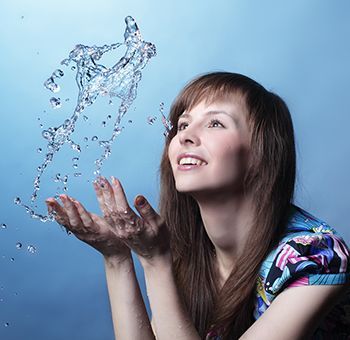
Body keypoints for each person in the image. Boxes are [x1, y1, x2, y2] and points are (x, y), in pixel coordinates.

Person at [45, 72, 350, 340]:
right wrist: (117, 258)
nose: (186, 136)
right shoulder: (189, 252)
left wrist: (155, 262)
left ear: (261, 152)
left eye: (215, 123)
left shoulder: (316, 257)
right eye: (183, 124)